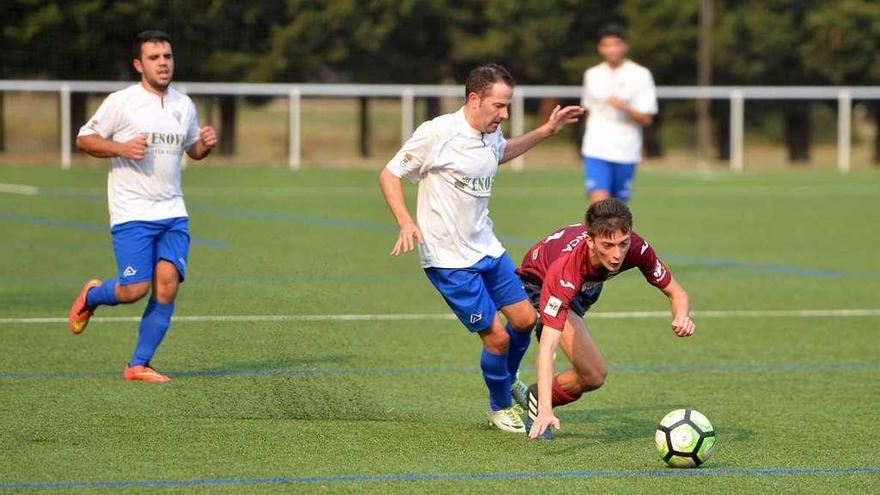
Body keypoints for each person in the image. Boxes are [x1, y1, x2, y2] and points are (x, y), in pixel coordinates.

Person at [379, 63, 584, 433]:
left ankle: (506, 380)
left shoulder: (491, 133)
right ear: (474, 99)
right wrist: (405, 221)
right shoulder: (438, 132)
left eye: (508, 106)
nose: (504, 114)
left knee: (525, 319)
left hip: (486, 248)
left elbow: (501, 152)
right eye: (499, 106)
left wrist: (545, 131)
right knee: (499, 337)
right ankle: (499, 405)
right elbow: (390, 173)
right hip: (448, 260)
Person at [67, 30, 217, 383]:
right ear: (139, 64)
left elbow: (192, 150)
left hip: (173, 212)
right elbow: (84, 138)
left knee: (167, 285)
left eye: (167, 56)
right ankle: (92, 294)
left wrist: (205, 146)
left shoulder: (184, 104)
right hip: (132, 212)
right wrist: (120, 149)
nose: (163, 63)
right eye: (154, 57)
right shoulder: (122, 102)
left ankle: (138, 365)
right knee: (135, 290)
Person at [514, 199, 695, 439]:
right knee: (594, 371)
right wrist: (546, 410)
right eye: (608, 245)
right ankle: (538, 403)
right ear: (590, 240)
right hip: (541, 280)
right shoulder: (566, 270)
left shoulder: (637, 248)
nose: (617, 254)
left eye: (623, 243)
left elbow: (677, 293)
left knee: (591, 377)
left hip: (586, 286)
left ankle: (537, 395)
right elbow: (548, 349)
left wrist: (681, 316)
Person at [581, 23, 657, 204]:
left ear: (624, 46)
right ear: (600, 48)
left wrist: (624, 107)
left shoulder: (640, 74)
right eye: (607, 45)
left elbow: (646, 118)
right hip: (596, 148)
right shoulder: (592, 74)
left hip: (626, 149)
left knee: (616, 210)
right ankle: (589, 234)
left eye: (616, 44)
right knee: (598, 203)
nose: (612, 49)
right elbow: (588, 109)